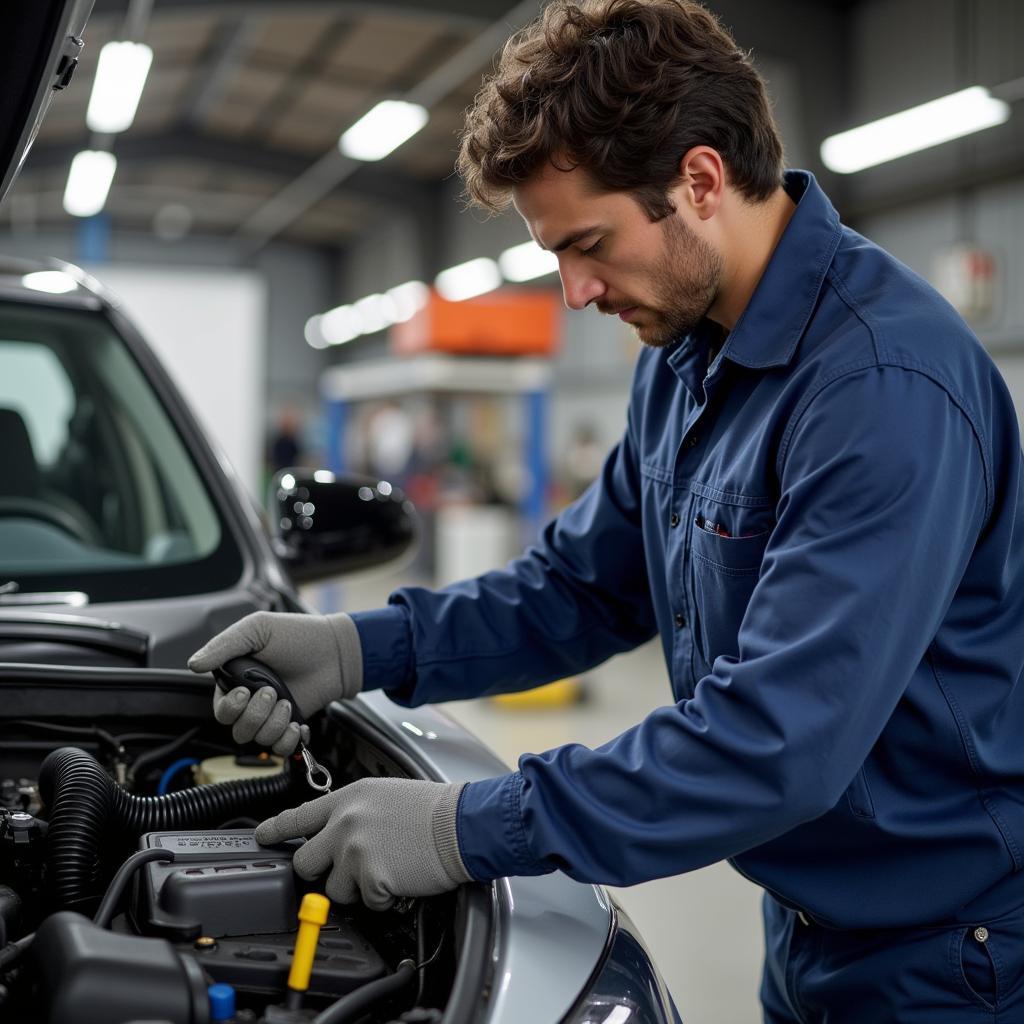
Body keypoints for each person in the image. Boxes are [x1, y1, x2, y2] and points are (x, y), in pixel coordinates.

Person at [189, 1, 1024, 1018]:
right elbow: (577, 590)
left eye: (588, 244)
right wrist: (359, 648)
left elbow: (774, 741)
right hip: (808, 928)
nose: (575, 292)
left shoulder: (882, 387)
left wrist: (461, 826)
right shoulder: (680, 359)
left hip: (952, 957)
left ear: (701, 181)